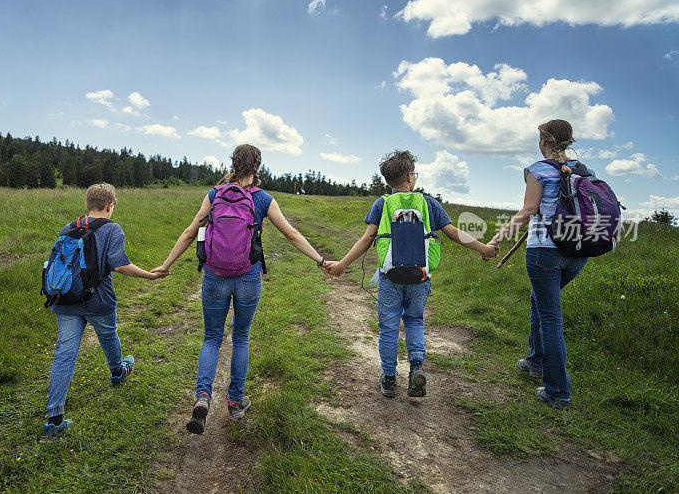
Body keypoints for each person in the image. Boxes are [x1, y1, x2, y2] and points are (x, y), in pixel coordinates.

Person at [150, 144, 332, 434]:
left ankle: (202, 398)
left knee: (211, 337)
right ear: (258, 166)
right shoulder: (263, 199)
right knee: (241, 336)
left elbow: (189, 232)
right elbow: (292, 234)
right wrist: (321, 261)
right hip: (249, 278)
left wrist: (165, 264)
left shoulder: (215, 195)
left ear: (232, 163)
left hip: (214, 276)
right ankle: (235, 403)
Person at [325, 150, 497, 398]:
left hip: (390, 278)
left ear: (389, 180)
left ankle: (389, 378)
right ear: (409, 177)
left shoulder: (382, 204)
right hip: (420, 277)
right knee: (414, 320)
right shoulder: (428, 204)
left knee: (388, 327)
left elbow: (366, 239)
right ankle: (416, 366)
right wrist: (484, 249)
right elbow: (453, 232)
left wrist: (342, 264)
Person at [40, 183, 167, 442]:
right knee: (109, 337)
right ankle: (117, 372)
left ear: (87, 204)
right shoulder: (112, 229)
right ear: (110, 206)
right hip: (99, 300)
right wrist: (150, 276)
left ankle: (54, 421)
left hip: (65, 298)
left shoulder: (69, 227)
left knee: (64, 354)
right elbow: (120, 265)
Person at [488, 119, 590, 411]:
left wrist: (497, 239)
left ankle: (558, 391)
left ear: (544, 142)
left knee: (550, 318)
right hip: (578, 254)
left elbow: (528, 211)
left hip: (544, 253)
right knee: (541, 302)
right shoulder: (585, 172)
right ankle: (534, 361)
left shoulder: (538, 169)